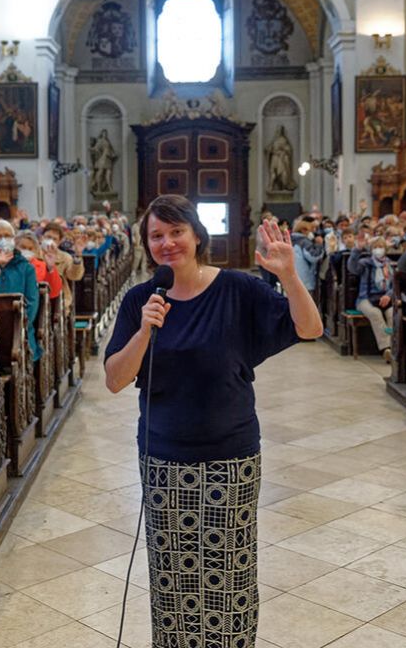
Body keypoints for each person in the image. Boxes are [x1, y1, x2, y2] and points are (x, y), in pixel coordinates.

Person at [103, 196, 321, 648]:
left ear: (196, 235)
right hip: (164, 458)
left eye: (176, 232)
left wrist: (289, 277)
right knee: (171, 580)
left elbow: (310, 328)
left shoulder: (237, 291)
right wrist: (145, 331)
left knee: (230, 577)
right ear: (146, 244)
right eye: (156, 235)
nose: (167, 243)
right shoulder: (142, 300)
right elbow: (114, 380)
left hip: (230, 455)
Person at [0, 220, 42, 360]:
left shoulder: (26, 268)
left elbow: (32, 302)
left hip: (20, 330)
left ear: (13, 239)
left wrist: (19, 326)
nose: (3, 240)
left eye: (7, 235)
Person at [347, 235, 396, 360]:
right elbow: (352, 268)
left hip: (386, 297)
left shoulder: (390, 264)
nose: (378, 249)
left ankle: (395, 348)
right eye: (375, 247)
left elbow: (395, 285)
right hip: (366, 298)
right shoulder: (366, 263)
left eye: (380, 247)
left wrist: (388, 295)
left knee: (392, 313)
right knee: (375, 313)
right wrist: (357, 249)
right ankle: (386, 348)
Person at [15, 230, 64, 299]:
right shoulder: (8, 264)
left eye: (30, 249)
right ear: (16, 246)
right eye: (23, 247)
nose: (26, 251)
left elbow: (54, 293)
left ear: (35, 250)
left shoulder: (42, 266)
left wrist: (51, 268)